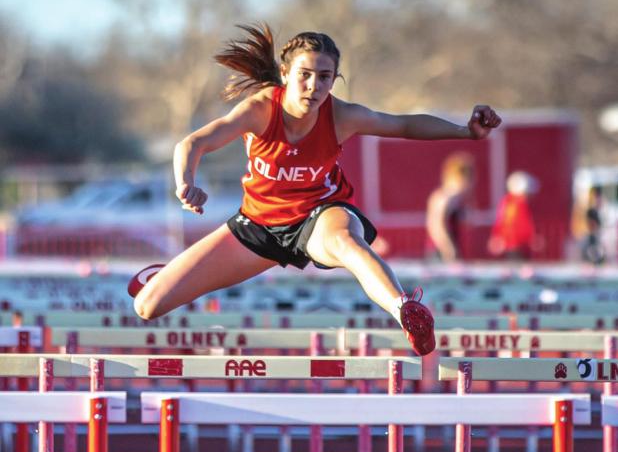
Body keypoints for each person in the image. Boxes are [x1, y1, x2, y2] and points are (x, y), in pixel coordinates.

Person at [129, 23, 502, 355]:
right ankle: (166, 275)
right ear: (285, 74)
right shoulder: (260, 110)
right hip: (258, 226)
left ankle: (405, 308)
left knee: (345, 242)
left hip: (318, 215)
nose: (314, 86)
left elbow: (403, 124)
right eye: (305, 75)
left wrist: (465, 131)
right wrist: (185, 182)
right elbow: (193, 143)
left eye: (325, 77)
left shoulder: (340, 116)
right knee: (147, 306)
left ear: (335, 79)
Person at [425, 151, 475, 261]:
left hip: (449, 248)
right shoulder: (445, 197)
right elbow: (435, 225)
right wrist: (448, 248)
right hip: (441, 251)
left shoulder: (457, 199)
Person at [487, 170, 540, 260]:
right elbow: (519, 225)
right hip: (516, 246)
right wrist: (531, 238)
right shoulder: (516, 205)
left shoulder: (507, 203)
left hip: (514, 246)